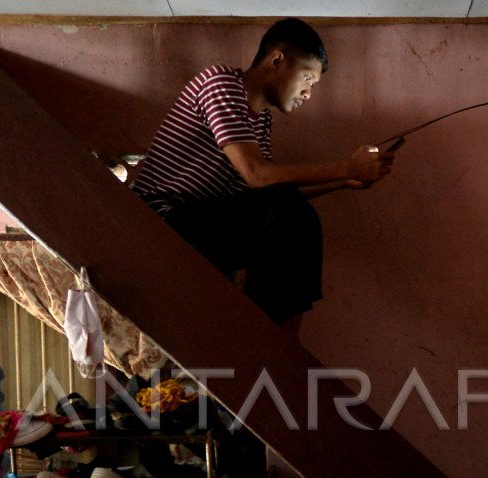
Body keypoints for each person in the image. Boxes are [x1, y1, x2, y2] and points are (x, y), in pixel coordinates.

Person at [132, 18, 395, 329]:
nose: (308, 94)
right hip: (160, 221)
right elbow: (258, 175)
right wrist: (347, 165)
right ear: (277, 60)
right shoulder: (221, 82)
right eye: (307, 78)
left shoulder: (261, 121)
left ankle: (274, 340)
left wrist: (343, 181)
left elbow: (264, 193)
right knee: (289, 208)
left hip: (199, 223)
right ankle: (272, 338)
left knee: (298, 214)